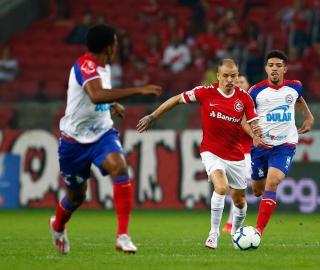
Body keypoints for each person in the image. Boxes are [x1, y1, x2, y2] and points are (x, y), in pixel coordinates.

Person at [49, 24, 162, 255]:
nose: (117, 47)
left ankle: (123, 235)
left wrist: (111, 105)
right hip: (74, 141)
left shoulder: (104, 68)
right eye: (115, 43)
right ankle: (58, 226)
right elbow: (95, 94)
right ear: (109, 47)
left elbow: (98, 95)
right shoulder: (85, 65)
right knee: (76, 196)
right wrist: (139, 90)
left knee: (119, 167)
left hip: (102, 134)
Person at [137, 59, 261, 249]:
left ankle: (237, 232)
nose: (230, 80)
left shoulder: (244, 98)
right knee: (220, 188)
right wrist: (152, 116)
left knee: (240, 201)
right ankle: (213, 234)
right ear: (218, 76)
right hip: (211, 152)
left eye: (233, 76)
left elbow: (253, 122)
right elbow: (177, 99)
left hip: (236, 155)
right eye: (226, 76)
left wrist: (258, 134)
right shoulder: (205, 92)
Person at [248, 50, 314, 236]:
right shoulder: (256, 91)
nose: (274, 69)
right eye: (271, 66)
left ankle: (258, 231)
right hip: (261, 146)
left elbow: (299, 100)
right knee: (257, 190)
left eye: (278, 66)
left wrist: (308, 117)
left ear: (285, 69)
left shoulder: (295, 87)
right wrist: (253, 134)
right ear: (266, 69)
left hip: (285, 145)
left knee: (273, 182)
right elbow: (245, 115)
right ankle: (260, 215)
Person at [222, 74, 254, 233]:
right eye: (236, 82)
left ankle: (232, 224)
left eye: (242, 81)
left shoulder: (252, 106)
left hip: (247, 155)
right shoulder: (229, 105)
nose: (239, 84)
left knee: (237, 190)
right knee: (232, 190)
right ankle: (231, 223)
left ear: (248, 85)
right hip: (230, 154)